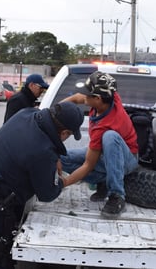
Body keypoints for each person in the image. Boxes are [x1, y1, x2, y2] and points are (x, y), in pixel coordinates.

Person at [0, 101, 83, 269]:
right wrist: (65, 181)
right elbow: (47, 194)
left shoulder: (25, 114)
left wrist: (55, 157)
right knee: (0, 259)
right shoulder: (42, 151)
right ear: (64, 132)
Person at [58, 71, 139, 219]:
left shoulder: (105, 126)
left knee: (110, 137)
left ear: (98, 99)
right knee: (60, 157)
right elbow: (76, 98)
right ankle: (103, 182)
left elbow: (88, 165)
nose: (84, 96)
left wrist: (63, 183)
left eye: (88, 94)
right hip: (103, 152)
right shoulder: (110, 97)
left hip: (127, 158)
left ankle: (117, 196)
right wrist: (53, 112)